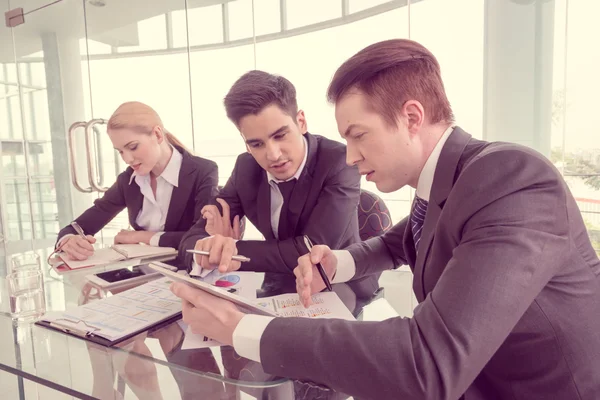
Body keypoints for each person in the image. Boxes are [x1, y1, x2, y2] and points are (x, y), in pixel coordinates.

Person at [170, 39, 600, 400]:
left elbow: (427, 363)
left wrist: (243, 329)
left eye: (358, 136)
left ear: (411, 118)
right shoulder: (449, 180)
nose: (352, 158)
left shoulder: (511, 179)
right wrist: (340, 261)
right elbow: (400, 241)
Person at [179, 70, 379, 299]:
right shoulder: (246, 168)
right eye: (256, 144)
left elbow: (310, 248)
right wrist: (209, 247)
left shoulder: (339, 162)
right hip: (276, 283)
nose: (273, 155)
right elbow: (190, 240)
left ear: (301, 122)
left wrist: (230, 249)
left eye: (280, 135)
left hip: (338, 283)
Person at [56, 101, 218, 260]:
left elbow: (203, 237)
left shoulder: (202, 171)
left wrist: (140, 236)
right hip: (144, 275)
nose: (127, 159)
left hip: (188, 274)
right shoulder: (128, 181)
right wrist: (68, 240)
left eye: (133, 147)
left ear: (157, 134)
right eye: (120, 151)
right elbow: (78, 226)